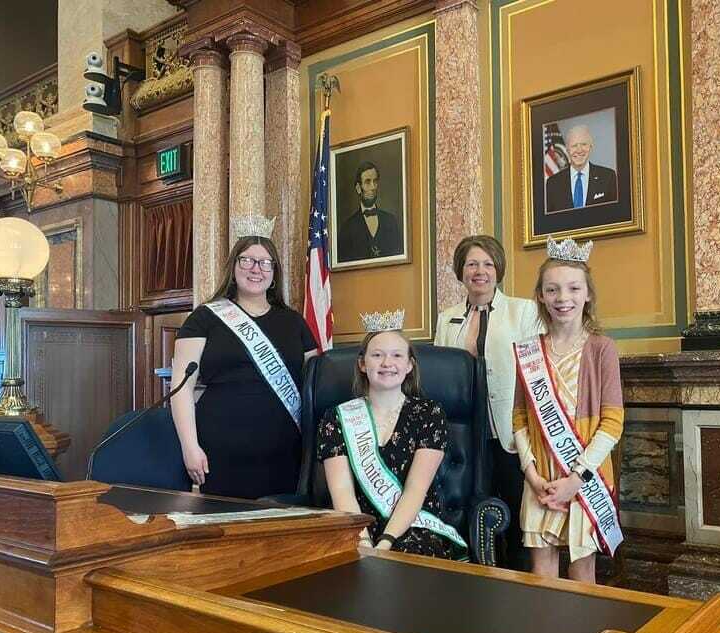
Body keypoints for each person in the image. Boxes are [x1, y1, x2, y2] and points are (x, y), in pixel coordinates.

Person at [170, 222, 317, 499]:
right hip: (220, 449)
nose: (255, 269)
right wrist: (190, 446)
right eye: (247, 260)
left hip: (285, 452)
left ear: (274, 274)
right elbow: (181, 387)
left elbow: (314, 388)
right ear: (234, 267)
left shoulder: (294, 322)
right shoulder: (204, 318)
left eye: (264, 263)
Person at [512, 237, 624, 584]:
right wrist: (533, 477)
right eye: (553, 289)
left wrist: (575, 481)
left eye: (574, 288)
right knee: (541, 573)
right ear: (541, 296)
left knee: (582, 572)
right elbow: (518, 419)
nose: (563, 298)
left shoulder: (602, 349)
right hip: (540, 478)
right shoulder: (529, 352)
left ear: (587, 294)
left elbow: (612, 424)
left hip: (585, 479)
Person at [318, 312, 468, 560]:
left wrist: (386, 543)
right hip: (356, 526)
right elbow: (342, 490)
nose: (387, 363)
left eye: (397, 355)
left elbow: (416, 489)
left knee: (407, 556)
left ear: (409, 365)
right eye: (377, 355)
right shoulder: (337, 418)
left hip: (414, 525)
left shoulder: (429, 413)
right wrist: (363, 540)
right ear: (362, 364)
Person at [434, 235, 542, 570]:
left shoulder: (523, 311)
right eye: (471, 264)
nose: (479, 271)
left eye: (487, 264)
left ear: (498, 270)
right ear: (460, 271)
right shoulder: (446, 317)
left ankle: (521, 582)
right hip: (462, 435)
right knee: (468, 507)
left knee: (515, 508)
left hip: (508, 432)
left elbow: (535, 373)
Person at [337, 161, 403, 262]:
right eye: (368, 182)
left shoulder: (391, 221)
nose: (373, 187)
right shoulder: (347, 228)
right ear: (359, 188)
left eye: (375, 181)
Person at [545, 124, 617, 212]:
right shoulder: (553, 183)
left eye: (584, 144)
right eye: (574, 145)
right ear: (567, 150)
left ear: (591, 147)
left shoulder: (608, 177)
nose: (579, 150)